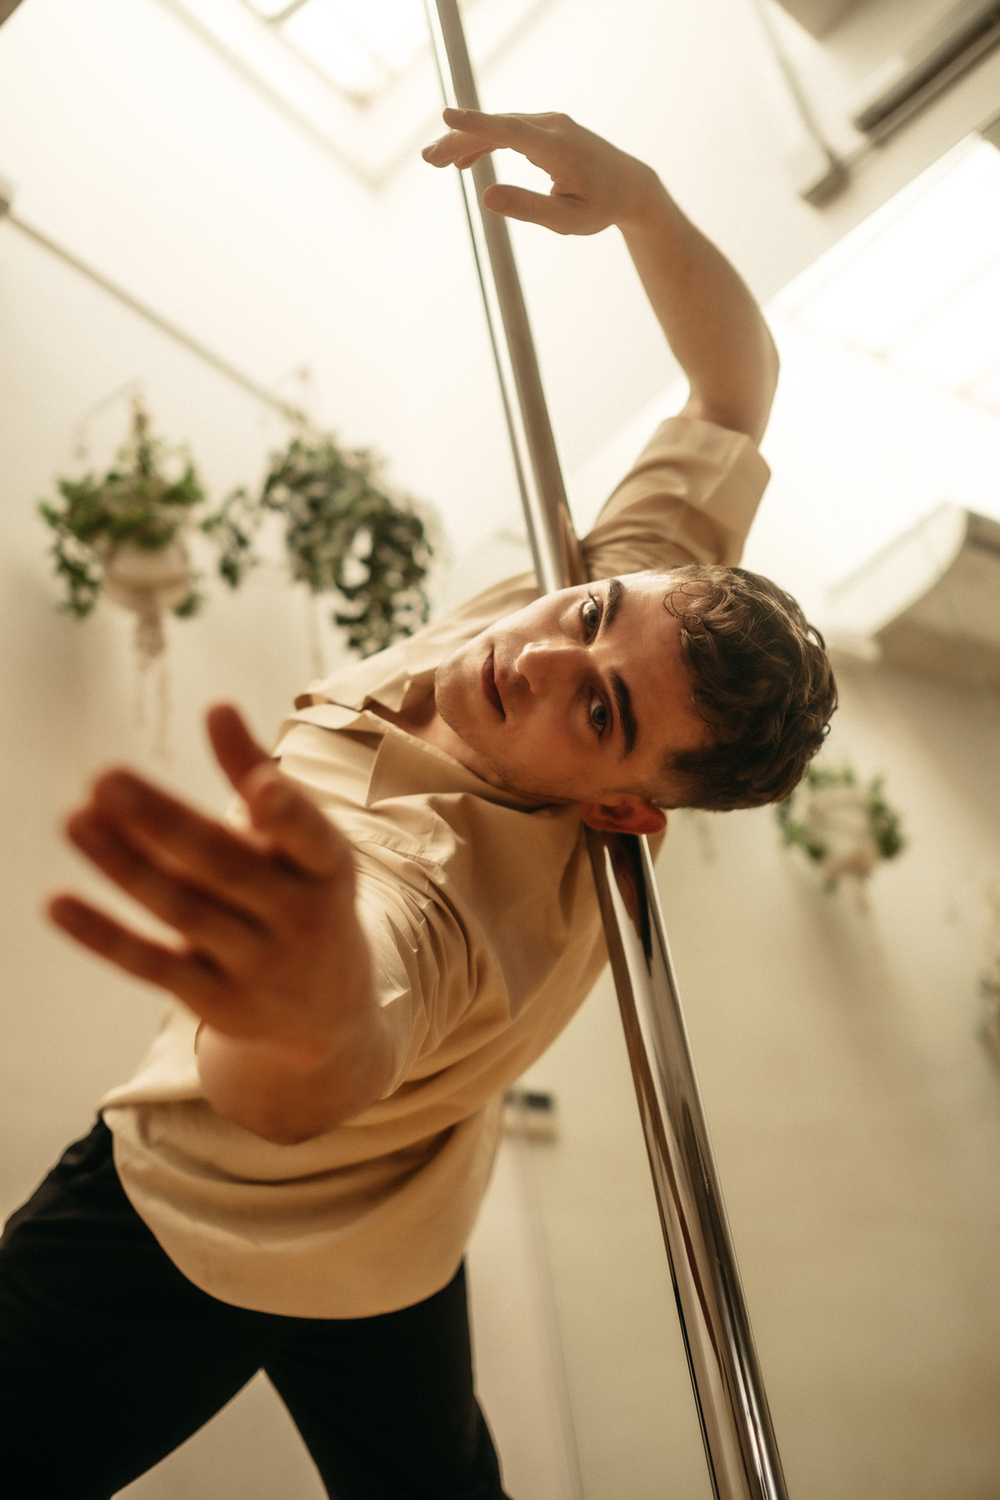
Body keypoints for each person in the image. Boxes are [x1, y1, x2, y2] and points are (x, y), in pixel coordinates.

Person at [0, 110, 836, 1499]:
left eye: (602, 712)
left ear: (629, 813)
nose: (545, 655)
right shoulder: (605, 606)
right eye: (598, 613)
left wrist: (309, 1002)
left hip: (187, 1213)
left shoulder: (443, 885)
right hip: (395, 1238)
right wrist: (641, 198)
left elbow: (325, 1056)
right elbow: (735, 386)